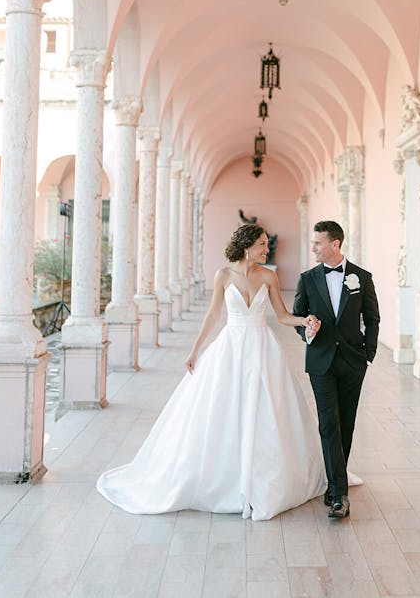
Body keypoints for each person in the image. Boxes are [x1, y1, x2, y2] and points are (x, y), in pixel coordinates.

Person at [96, 223, 327, 520]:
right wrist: (194, 350)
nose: (266, 249)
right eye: (261, 244)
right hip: (230, 348)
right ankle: (225, 479)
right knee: (224, 407)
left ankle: (263, 479)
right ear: (246, 246)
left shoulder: (268, 276)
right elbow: (213, 314)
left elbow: (281, 316)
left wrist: (304, 321)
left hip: (262, 348)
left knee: (267, 410)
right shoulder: (223, 276)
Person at [293, 220, 380, 519]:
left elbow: (373, 318)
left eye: (318, 242)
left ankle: (335, 482)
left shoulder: (362, 277)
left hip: (353, 363)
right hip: (320, 362)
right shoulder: (307, 279)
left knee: (346, 424)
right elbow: (298, 317)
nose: (313, 247)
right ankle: (339, 494)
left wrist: (368, 354)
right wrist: (308, 330)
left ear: (335, 244)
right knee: (328, 424)